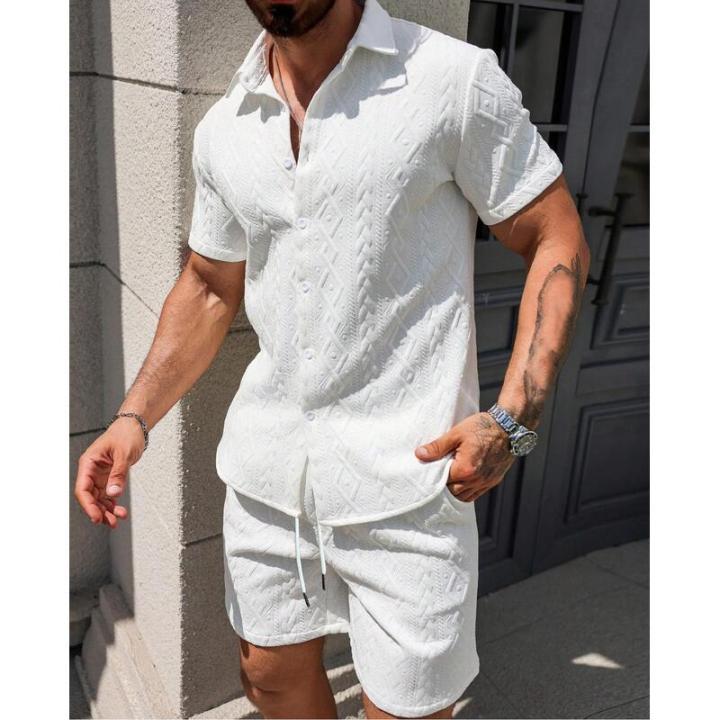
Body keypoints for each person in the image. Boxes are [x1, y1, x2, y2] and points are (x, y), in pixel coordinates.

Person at [74, 0, 590, 717]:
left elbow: (554, 234)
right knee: (267, 677)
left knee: (406, 711)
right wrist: (133, 417)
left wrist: (513, 421)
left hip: (409, 484)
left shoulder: (451, 80)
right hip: (269, 476)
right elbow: (209, 285)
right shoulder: (226, 126)